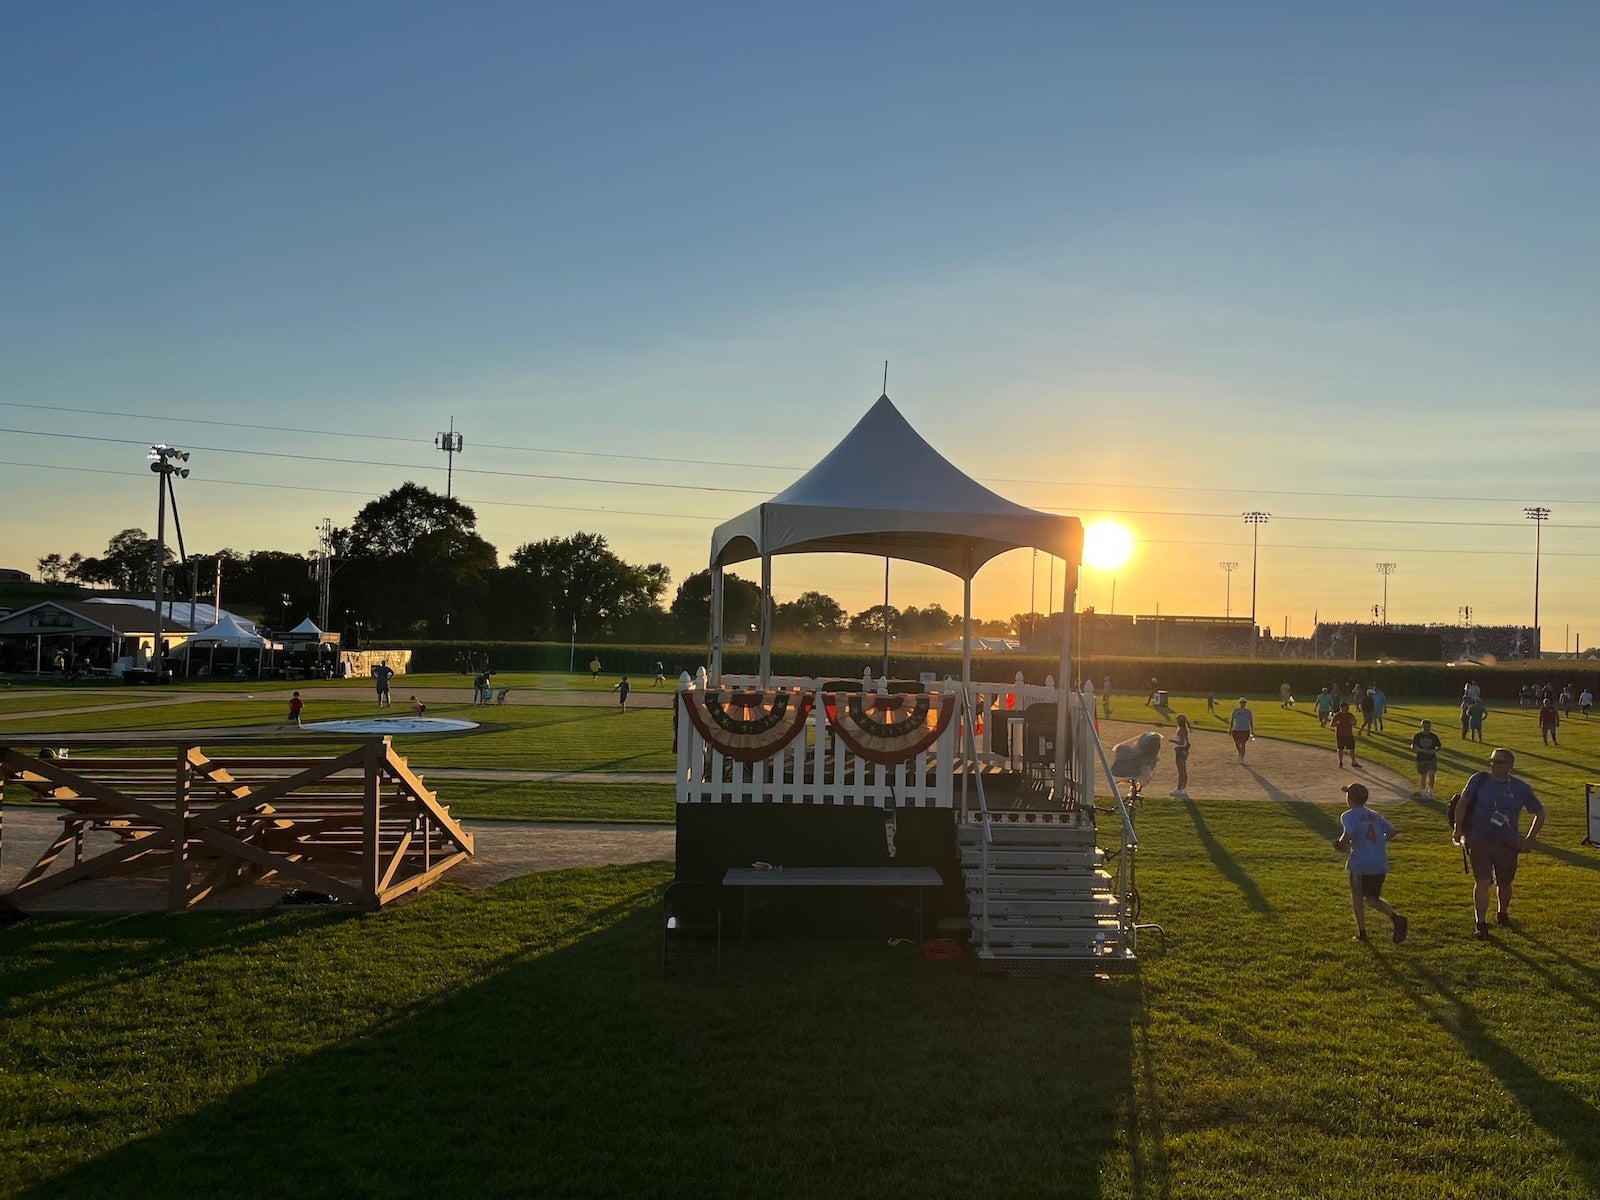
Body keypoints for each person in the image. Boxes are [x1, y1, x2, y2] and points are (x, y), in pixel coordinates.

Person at [1455, 748, 1545, 936]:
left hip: (1507, 843)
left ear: (1510, 765)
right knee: (1482, 880)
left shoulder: (1521, 788)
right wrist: (1458, 828)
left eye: (1499, 762)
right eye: (1492, 761)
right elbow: (1463, 803)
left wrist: (1529, 838)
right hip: (1479, 839)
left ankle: (1502, 913)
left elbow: (1539, 813)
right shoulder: (1479, 780)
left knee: (1504, 882)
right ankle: (1481, 923)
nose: (1493, 765)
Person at [1335, 782, 1407, 944]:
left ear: (1350, 798)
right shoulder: (1374, 815)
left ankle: (1362, 933)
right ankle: (1396, 917)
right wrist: (1379, 842)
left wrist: (1340, 844)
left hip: (1360, 864)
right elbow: (1392, 831)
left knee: (1358, 897)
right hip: (1379, 862)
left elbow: (1349, 833)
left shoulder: (1347, 815)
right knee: (1373, 899)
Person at [1410, 719, 1441, 799]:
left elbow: (1439, 746)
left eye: (1428, 726)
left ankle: (1430, 791)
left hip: (1431, 758)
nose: (1426, 728)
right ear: (1422, 726)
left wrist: (1434, 750)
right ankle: (1423, 792)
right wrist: (1420, 750)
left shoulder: (1433, 736)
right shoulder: (1418, 736)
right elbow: (1413, 746)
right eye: (1425, 726)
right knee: (1423, 776)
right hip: (1421, 759)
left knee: (1431, 775)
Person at [1168, 714, 1192, 799]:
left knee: (1181, 771)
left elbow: (1181, 742)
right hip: (1183, 751)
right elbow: (1187, 742)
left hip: (1180, 751)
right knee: (1183, 770)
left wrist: (1172, 741)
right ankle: (1183, 788)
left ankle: (1179, 789)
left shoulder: (1181, 730)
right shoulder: (1184, 729)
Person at [1331, 703, 1359, 769]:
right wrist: (1336, 723)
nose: (1345, 709)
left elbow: (1355, 722)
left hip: (1349, 734)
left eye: (1346, 708)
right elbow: (1332, 724)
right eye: (1343, 708)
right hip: (1340, 734)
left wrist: (1353, 722)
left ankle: (1353, 762)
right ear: (1341, 708)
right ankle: (1340, 762)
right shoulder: (1337, 715)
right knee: (1340, 748)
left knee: (1351, 749)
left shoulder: (1350, 715)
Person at [1228, 698, 1254, 762]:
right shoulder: (1235, 711)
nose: (1243, 703)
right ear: (1239, 703)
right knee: (1237, 744)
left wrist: (1252, 730)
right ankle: (1240, 753)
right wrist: (1230, 729)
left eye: (1244, 702)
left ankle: (1241, 758)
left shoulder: (1248, 712)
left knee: (1243, 744)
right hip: (1237, 729)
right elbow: (1232, 720)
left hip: (1245, 730)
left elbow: (1250, 721)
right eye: (1242, 702)